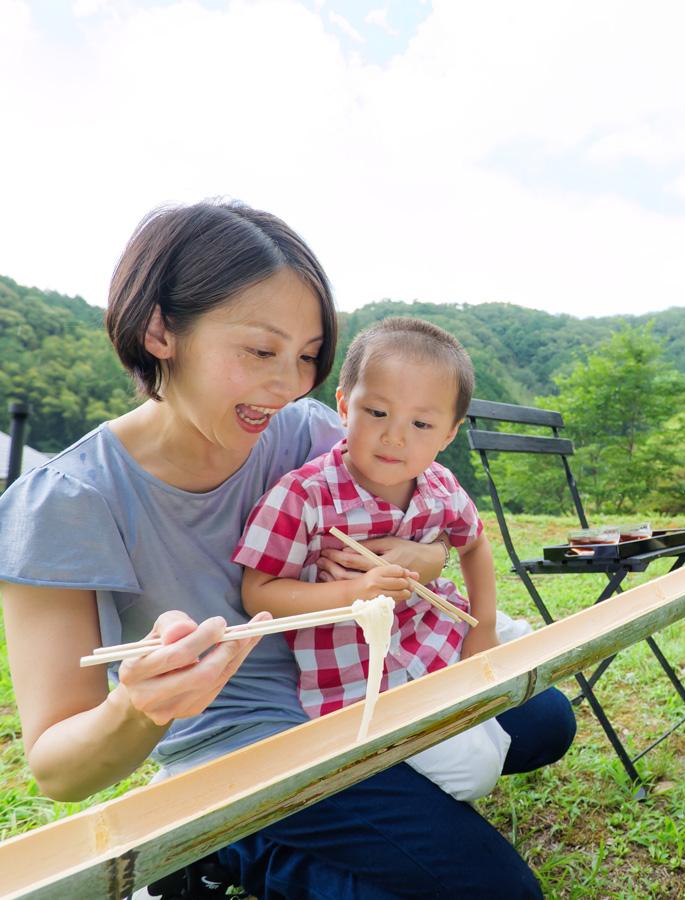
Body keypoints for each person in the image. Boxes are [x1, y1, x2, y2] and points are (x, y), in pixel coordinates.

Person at [0, 200, 575, 898]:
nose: (289, 385)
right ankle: (235, 845)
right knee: (502, 894)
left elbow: (430, 523)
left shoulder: (302, 429)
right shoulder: (67, 503)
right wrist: (140, 707)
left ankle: (288, 833)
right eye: (261, 352)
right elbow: (58, 770)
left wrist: (419, 559)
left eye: (306, 358)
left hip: (356, 682)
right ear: (160, 331)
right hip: (247, 744)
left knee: (547, 721)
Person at [233, 316, 509, 801]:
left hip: (435, 635)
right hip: (358, 672)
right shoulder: (304, 496)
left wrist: (482, 626)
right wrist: (351, 592)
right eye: (377, 412)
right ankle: (395, 770)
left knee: (523, 653)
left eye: (421, 423)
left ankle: (444, 732)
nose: (395, 437)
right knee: (478, 770)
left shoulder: (440, 485)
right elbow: (257, 591)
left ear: (449, 433)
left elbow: (475, 543)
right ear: (343, 405)